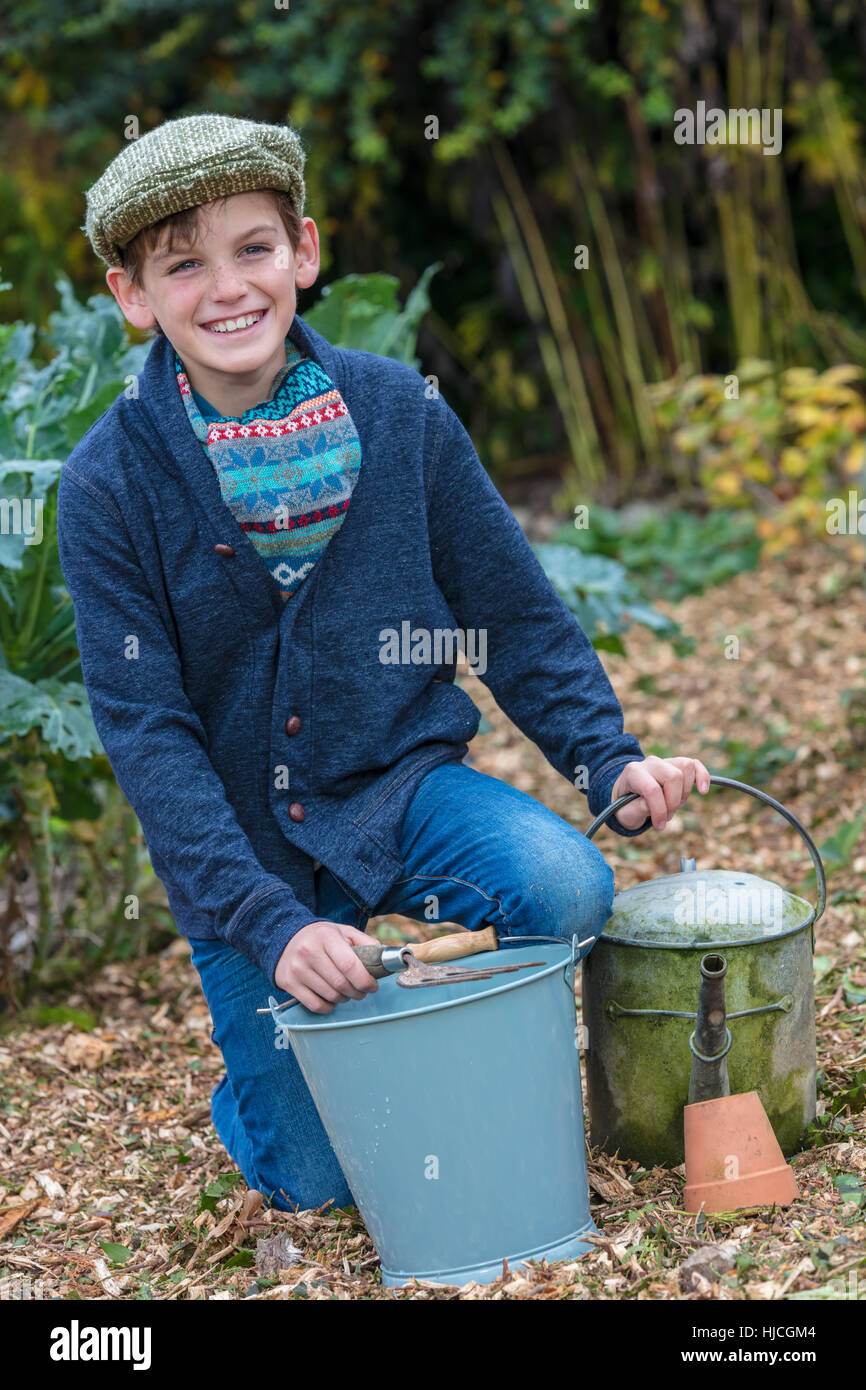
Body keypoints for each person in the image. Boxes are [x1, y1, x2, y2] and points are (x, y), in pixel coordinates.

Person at [58, 114, 711, 1212]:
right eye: (183, 265)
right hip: (246, 859)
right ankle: (263, 1088)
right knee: (318, 1183)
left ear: (303, 252)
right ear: (134, 296)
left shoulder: (400, 414)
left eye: (252, 249)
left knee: (563, 882)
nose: (226, 289)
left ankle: (436, 1039)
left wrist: (606, 757)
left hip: (402, 788)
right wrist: (269, 924)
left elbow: (509, 614)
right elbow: (150, 735)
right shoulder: (107, 485)